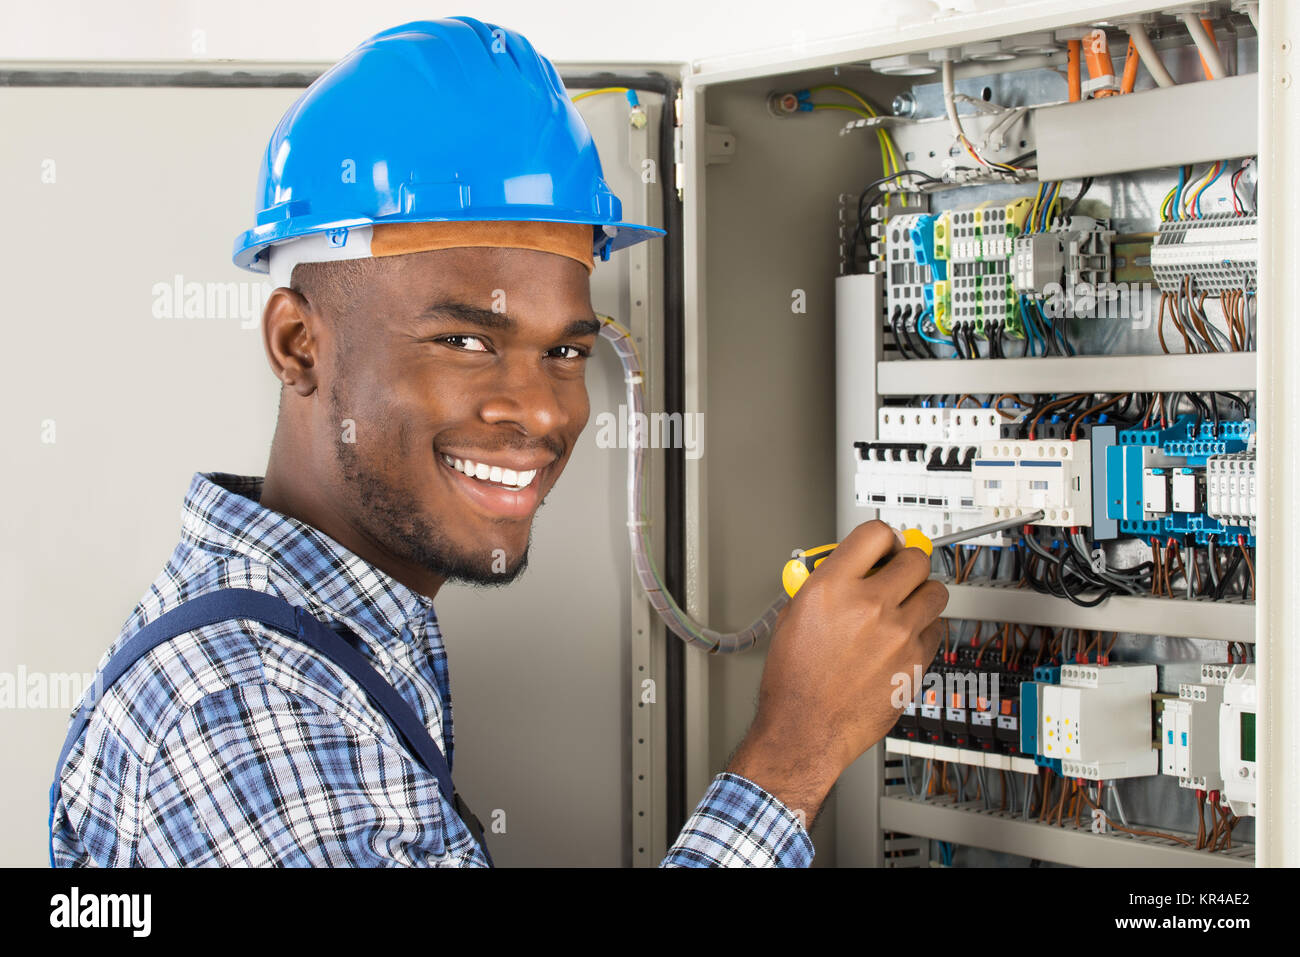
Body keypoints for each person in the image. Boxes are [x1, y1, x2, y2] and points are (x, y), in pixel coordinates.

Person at [50, 16, 945, 868]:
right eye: (466, 340)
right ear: (298, 344)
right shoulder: (245, 709)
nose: (545, 412)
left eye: (565, 351)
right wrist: (793, 751)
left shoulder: (336, 635)